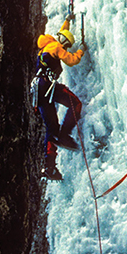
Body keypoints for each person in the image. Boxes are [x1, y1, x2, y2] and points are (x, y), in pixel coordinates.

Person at [33, 18, 86, 180]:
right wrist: (81, 50)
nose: (66, 48)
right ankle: (65, 135)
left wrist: (67, 21)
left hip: (38, 90)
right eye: (67, 45)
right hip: (47, 86)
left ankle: (49, 168)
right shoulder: (56, 46)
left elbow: (62, 33)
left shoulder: (47, 45)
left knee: (51, 128)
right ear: (63, 41)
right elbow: (72, 60)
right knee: (75, 103)